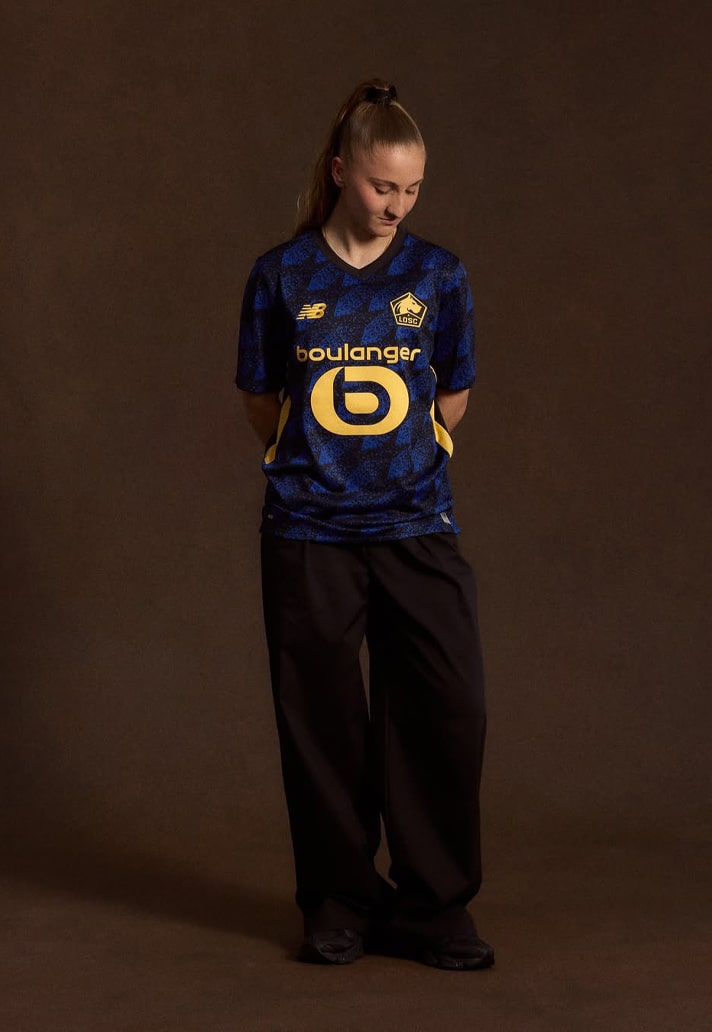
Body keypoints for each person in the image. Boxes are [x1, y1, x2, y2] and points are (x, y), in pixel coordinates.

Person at [236, 78, 493, 971]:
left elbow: (452, 394)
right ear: (343, 172)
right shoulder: (281, 274)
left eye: (412, 189)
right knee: (321, 720)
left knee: (446, 708)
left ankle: (433, 906)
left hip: (416, 524)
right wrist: (319, 465)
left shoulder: (439, 275)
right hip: (308, 531)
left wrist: (402, 463)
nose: (397, 206)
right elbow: (260, 397)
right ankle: (339, 900)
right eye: (384, 186)